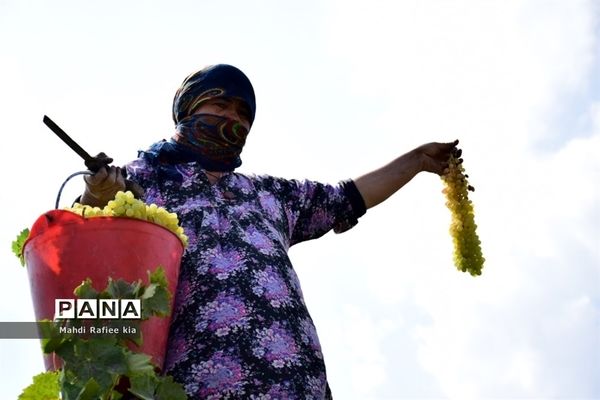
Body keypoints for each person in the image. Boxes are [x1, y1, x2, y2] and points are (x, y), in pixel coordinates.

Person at [80, 64, 459, 399]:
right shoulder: (141, 182)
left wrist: (417, 161)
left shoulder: (268, 193)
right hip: (196, 383)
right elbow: (82, 266)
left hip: (297, 385)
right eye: (221, 104)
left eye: (243, 112)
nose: (233, 118)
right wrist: (96, 198)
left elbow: (347, 198)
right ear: (190, 107)